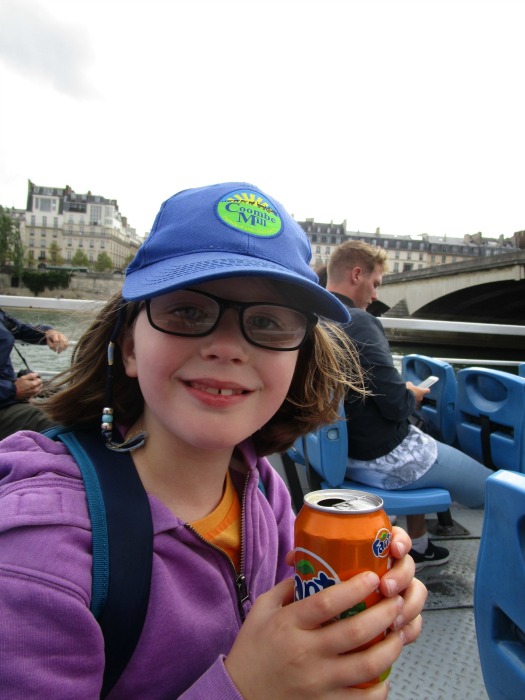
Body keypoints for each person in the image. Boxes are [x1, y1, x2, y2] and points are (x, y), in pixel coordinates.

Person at [0, 183, 427, 699]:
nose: (226, 347)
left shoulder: (261, 487)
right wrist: (245, 690)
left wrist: (353, 612)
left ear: (297, 362)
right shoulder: (37, 556)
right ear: (130, 346)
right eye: (188, 311)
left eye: (268, 322)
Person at [326, 240, 493, 571]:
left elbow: (363, 388)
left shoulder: (317, 317)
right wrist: (410, 395)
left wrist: (397, 391)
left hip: (343, 455)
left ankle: (417, 545)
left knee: (423, 440)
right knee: (494, 487)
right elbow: (395, 407)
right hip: (383, 456)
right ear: (357, 275)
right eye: (375, 285)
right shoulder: (358, 320)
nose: (375, 296)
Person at [0, 307, 68, 439]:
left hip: (11, 392)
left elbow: (19, 329)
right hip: (6, 401)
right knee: (62, 418)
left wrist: (48, 332)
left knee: (74, 394)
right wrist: (14, 390)